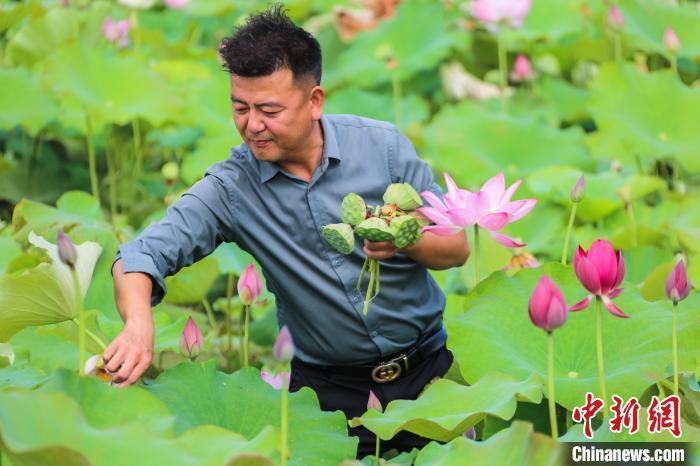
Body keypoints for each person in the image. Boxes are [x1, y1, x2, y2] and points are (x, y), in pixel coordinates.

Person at [105, 5, 469, 459]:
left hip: (430, 376)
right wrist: (138, 325)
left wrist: (405, 239)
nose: (252, 125)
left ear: (314, 101)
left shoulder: (383, 148)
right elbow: (139, 256)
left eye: (269, 110)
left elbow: (457, 247)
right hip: (325, 399)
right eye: (240, 108)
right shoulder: (231, 188)